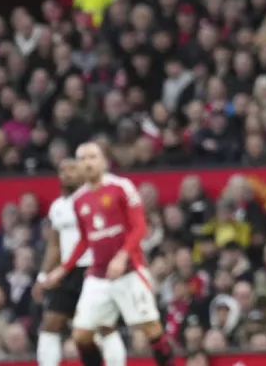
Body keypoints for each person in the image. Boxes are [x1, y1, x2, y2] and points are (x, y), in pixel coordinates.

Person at [43, 143, 172, 366]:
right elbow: (85, 240)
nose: (88, 163)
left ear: (103, 161)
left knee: (151, 329)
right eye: (82, 159)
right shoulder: (80, 200)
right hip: (98, 276)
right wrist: (63, 269)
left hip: (130, 271)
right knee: (81, 335)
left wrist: (122, 256)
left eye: (92, 157)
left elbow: (139, 227)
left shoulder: (121, 187)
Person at [37, 158, 126, 366]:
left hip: (93, 269)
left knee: (103, 325)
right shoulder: (57, 206)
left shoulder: (93, 198)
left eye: (72, 170)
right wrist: (43, 274)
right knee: (51, 323)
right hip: (66, 272)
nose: (66, 174)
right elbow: (55, 244)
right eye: (62, 170)